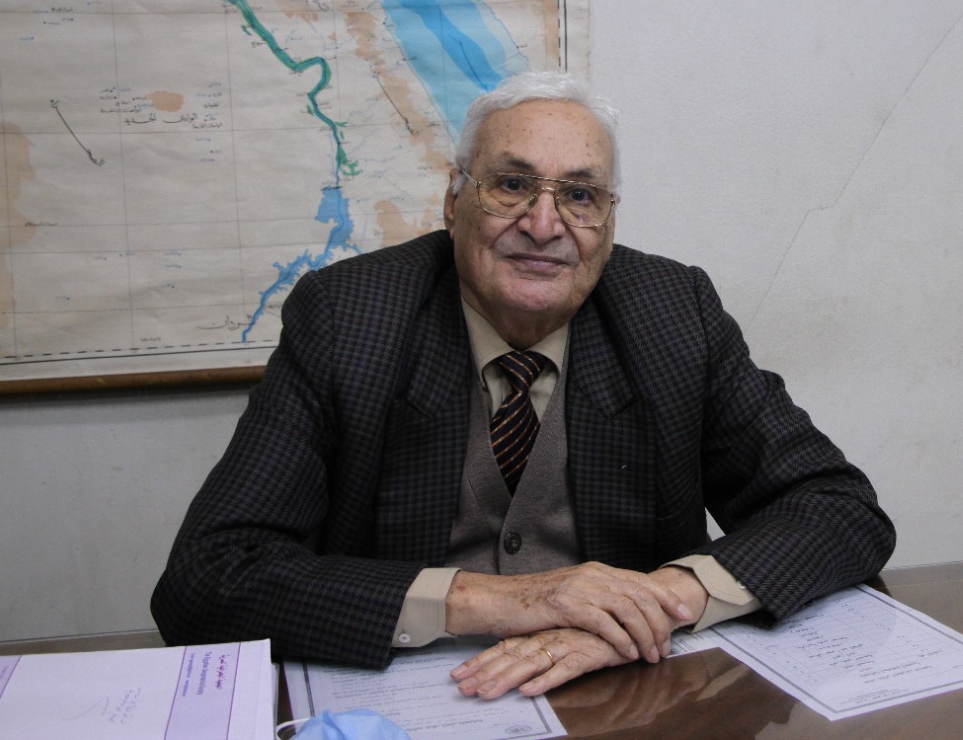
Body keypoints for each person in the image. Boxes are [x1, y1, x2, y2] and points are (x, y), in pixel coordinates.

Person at [151, 71, 895, 700]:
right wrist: (501, 600)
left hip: (629, 693)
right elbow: (207, 577)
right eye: (511, 185)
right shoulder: (349, 318)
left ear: (608, 220)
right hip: (417, 701)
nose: (544, 224)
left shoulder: (673, 313)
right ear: (454, 199)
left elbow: (839, 507)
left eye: (581, 195)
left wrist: (659, 601)